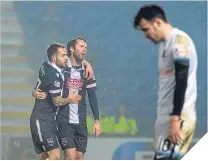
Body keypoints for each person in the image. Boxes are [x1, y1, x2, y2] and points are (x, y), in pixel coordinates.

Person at [133, 5, 197, 159]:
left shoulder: (179, 41)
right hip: (166, 118)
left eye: (145, 29)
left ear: (158, 22)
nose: (145, 35)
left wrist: (175, 119)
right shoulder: (164, 45)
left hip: (178, 118)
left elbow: (182, 80)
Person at [30, 43, 82, 160]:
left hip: (49, 120)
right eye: (63, 55)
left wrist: (34, 91)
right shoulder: (54, 75)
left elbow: (41, 84)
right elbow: (57, 102)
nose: (66, 58)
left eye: (66, 55)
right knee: (55, 155)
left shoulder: (46, 65)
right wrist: (69, 99)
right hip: (42, 119)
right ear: (54, 58)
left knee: (47, 155)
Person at [57, 37, 102, 160]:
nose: (84, 49)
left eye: (86, 47)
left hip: (81, 122)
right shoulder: (62, 68)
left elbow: (92, 97)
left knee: (79, 156)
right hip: (64, 120)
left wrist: (97, 120)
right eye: (81, 46)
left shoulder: (88, 72)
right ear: (71, 48)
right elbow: (52, 56)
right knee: (70, 156)